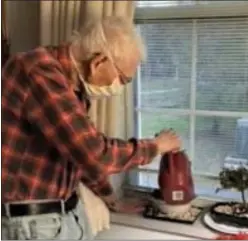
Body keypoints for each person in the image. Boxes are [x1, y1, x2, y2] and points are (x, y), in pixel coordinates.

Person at [1, 16, 181, 240]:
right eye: (123, 79)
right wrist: (155, 146)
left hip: (67, 215)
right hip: (33, 224)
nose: (120, 87)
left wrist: (109, 196)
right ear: (99, 62)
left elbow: (79, 156)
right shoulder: (38, 71)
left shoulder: (74, 89)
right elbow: (94, 153)